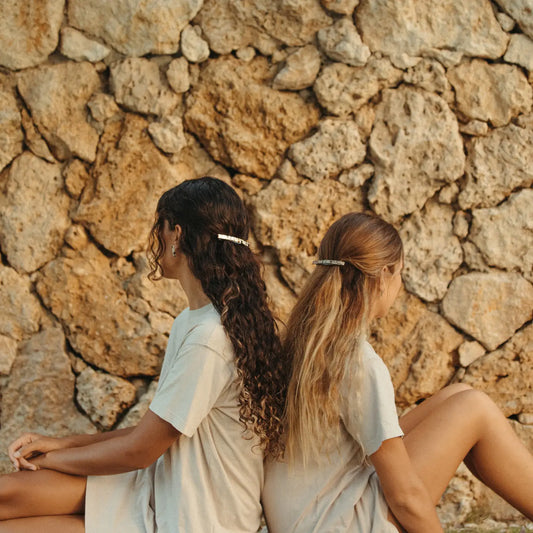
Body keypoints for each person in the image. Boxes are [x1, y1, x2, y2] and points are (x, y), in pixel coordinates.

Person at [0, 176, 287, 533]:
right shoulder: (192, 322)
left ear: (177, 235)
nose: (155, 239)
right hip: (155, 491)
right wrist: (60, 445)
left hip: (192, 519)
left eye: (159, 227)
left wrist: (51, 459)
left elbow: (140, 450)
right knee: (7, 494)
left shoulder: (210, 339)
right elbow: (152, 432)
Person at [262, 212, 533, 533]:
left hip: (311, 519)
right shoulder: (357, 361)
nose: (400, 285)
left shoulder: (302, 342)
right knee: (475, 408)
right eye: (400, 273)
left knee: (459, 395)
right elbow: (405, 498)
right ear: (383, 275)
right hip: (339, 525)